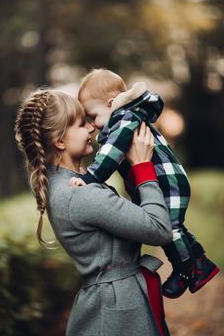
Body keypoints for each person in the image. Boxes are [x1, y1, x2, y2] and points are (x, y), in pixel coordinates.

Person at [14, 89, 173, 336]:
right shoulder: (78, 193)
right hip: (118, 312)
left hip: (113, 303)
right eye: (81, 124)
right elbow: (160, 230)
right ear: (60, 141)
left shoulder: (67, 184)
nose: (92, 128)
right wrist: (143, 167)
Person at [77, 68, 220, 299]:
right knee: (175, 227)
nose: (94, 126)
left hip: (167, 182)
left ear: (111, 103)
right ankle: (200, 263)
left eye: (93, 116)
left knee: (169, 229)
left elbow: (111, 153)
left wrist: (92, 176)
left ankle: (186, 269)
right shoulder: (125, 117)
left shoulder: (124, 118)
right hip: (166, 180)